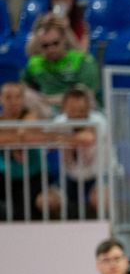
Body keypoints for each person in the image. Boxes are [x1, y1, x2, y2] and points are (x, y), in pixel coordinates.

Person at [36, 85, 109, 219]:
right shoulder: (60, 121)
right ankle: (60, 228)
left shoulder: (99, 121)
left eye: (81, 110)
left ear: (89, 108)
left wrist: (57, 138)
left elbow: (87, 138)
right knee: (45, 201)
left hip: (100, 175)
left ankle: (104, 229)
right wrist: (61, 138)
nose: (77, 115)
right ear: (63, 109)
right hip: (70, 177)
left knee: (102, 199)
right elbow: (39, 137)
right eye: (72, 110)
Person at [21, 18, 100, 112]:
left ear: (64, 39)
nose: (51, 49)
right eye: (45, 46)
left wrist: (47, 100)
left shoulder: (82, 60)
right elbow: (24, 87)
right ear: (38, 45)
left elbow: (85, 95)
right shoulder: (34, 63)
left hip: (80, 113)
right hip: (47, 111)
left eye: (55, 43)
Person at [0, 81, 45, 220]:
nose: (13, 101)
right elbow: (21, 135)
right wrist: (17, 142)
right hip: (5, 177)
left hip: (33, 177)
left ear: (23, 99)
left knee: (29, 210)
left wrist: (12, 139)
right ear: (1, 99)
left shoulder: (32, 116)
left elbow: (25, 134)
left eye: (17, 97)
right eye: (8, 97)